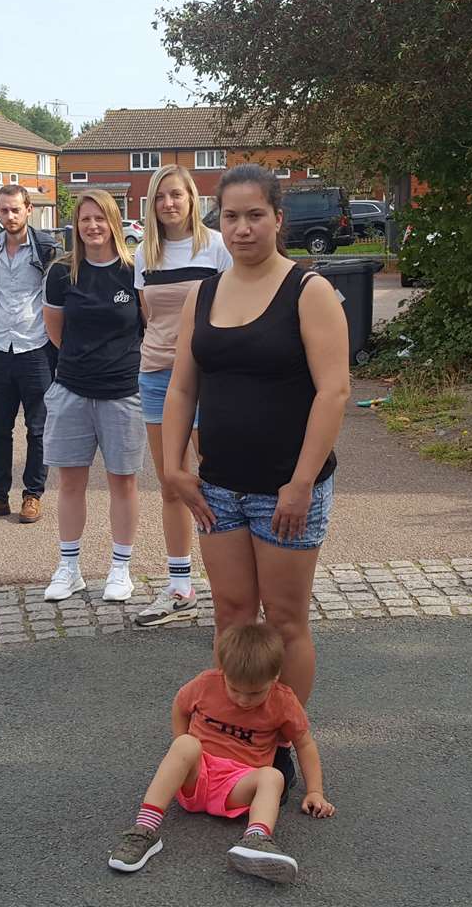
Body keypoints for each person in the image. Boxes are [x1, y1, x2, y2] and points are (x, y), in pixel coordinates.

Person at [161, 164, 349, 720]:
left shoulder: (308, 291)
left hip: (287, 489)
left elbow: (334, 392)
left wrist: (301, 482)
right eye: (233, 217)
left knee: (286, 620)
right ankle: (232, 729)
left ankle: (282, 739)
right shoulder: (206, 293)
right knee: (232, 615)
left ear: (277, 219)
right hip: (218, 486)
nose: (243, 229)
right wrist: (173, 467)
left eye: (255, 216)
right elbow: (181, 387)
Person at [106, 623, 334, 884]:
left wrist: (315, 791)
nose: (243, 700)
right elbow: (180, 706)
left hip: (239, 785)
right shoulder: (206, 683)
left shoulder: (283, 700)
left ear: (275, 677)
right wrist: (183, 757)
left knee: (273, 776)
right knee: (184, 744)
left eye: (255, 693)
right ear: (222, 671)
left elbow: (304, 743)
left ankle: (256, 839)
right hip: (198, 775)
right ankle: (144, 830)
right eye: (235, 689)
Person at [133, 164, 232, 627]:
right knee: (172, 483)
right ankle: (179, 587)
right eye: (160, 197)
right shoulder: (144, 255)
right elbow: (148, 318)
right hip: (156, 377)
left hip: (209, 377)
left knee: (217, 481)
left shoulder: (215, 246)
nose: (169, 204)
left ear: (193, 198)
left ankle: (231, 585)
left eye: (177, 195)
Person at [40, 189, 146, 603]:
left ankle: (120, 568)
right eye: (85, 219)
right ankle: (69, 568)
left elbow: (146, 326)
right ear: (76, 226)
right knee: (70, 484)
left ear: (114, 222)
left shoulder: (133, 270)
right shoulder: (62, 272)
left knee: (123, 483)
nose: (93, 226)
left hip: (123, 393)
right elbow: (55, 332)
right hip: (72, 390)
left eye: (100, 218)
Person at [0, 184, 61, 523]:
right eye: (4, 210)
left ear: (29, 209)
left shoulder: (47, 248)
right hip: (0, 348)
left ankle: (33, 495)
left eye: (15, 209)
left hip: (35, 349)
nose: (9, 216)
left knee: (38, 429)